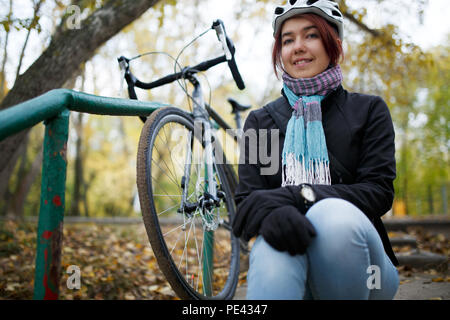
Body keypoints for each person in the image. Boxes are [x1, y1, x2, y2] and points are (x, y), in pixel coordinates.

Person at [232, 0, 400, 300]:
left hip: (368, 276)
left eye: (310, 35)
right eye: (287, 40)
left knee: (331, 216)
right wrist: (272, 217)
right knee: (272, 247)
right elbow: (248, 202)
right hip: (295, 267)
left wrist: (298, 195)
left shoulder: (368, 110)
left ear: (333, 43)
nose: (297, 47)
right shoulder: (261, 121)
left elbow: (378, 192)